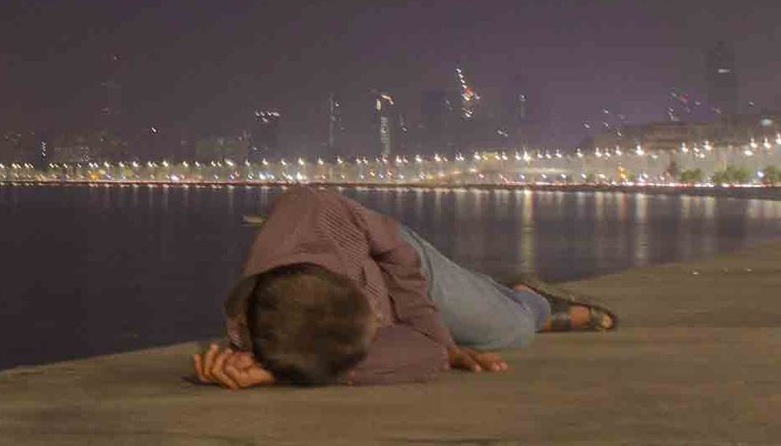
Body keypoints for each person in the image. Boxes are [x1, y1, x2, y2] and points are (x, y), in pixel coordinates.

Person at [191, 186, 617, 389]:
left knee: (513, 330)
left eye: (372, 313)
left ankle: (531, 298)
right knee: (487, 332)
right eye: (375, 326)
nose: (380, 317)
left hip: (401, 262)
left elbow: (399, 260)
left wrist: (444, 342)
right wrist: (275, 373)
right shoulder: (277, 339)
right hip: (371, 313)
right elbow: (426, 355)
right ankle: (498, 295)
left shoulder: (312, 211)